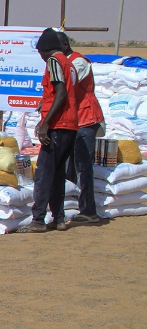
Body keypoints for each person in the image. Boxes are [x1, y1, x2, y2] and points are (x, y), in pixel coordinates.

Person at [19, 28, 80, 233]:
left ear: (45, 50)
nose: (41, 58)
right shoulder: (68, 63)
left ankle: (38, 219)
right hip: (70, 124)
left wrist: (45, 123)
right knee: (57, 174)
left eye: (40, 53)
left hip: (57, 125)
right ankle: (59, 218)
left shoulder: (54, 61)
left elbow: (60, 93)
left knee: (44, 173)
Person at [61, 33, 105, 225]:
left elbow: (66, 86)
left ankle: (89, 210)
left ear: (64, 45)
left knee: (82, 166)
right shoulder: (65, 63)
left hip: (86, 118)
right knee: (68, 164)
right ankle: (70, 206)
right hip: (73, 120)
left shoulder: (78, 63)